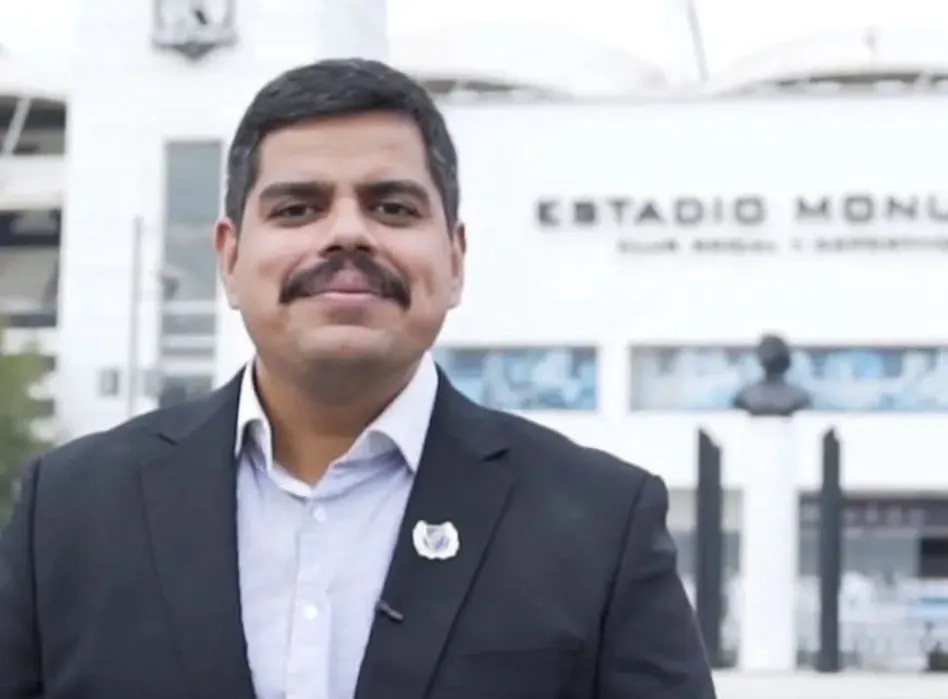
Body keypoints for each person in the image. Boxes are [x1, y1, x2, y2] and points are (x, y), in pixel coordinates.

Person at [0, 59, 715, 699]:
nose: (347, 234)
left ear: (456, 258)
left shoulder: (599, 522)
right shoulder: (70, 512)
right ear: (229, 257)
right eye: (298, 208)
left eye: (392, 207)